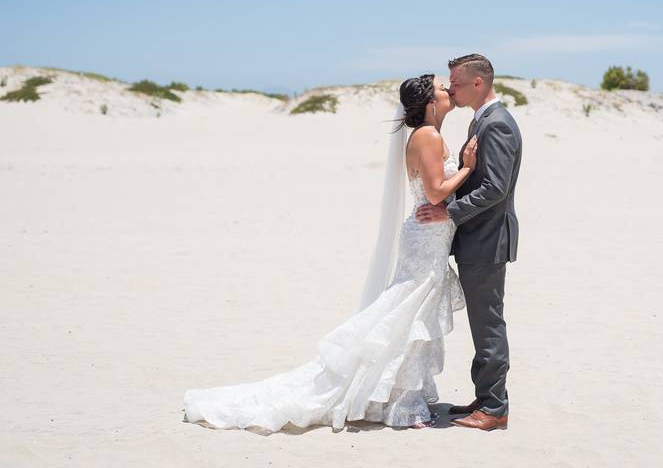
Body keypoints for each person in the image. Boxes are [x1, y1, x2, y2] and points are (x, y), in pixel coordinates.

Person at [183, 74, 477, 431]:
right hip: (426, 240)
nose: (449, 91)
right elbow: (434, 194)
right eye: (442, 89)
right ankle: (403, 405)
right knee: (408, 317)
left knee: (410, 317)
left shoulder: (426, 135)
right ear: (431, 103)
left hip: (429, 238)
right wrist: (467, 168)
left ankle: (402, 398)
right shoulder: (427, 136)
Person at [416, 53, 522, 432]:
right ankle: (485, 396)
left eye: (456, 83)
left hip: (489, 239)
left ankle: (495, 407)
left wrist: (449, 212)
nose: (451, 89)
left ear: (478, 83)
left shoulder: (498, 125)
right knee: (482, 322)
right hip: (478, 238)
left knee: (488, 322)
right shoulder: (483, 120)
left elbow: (495, 187)